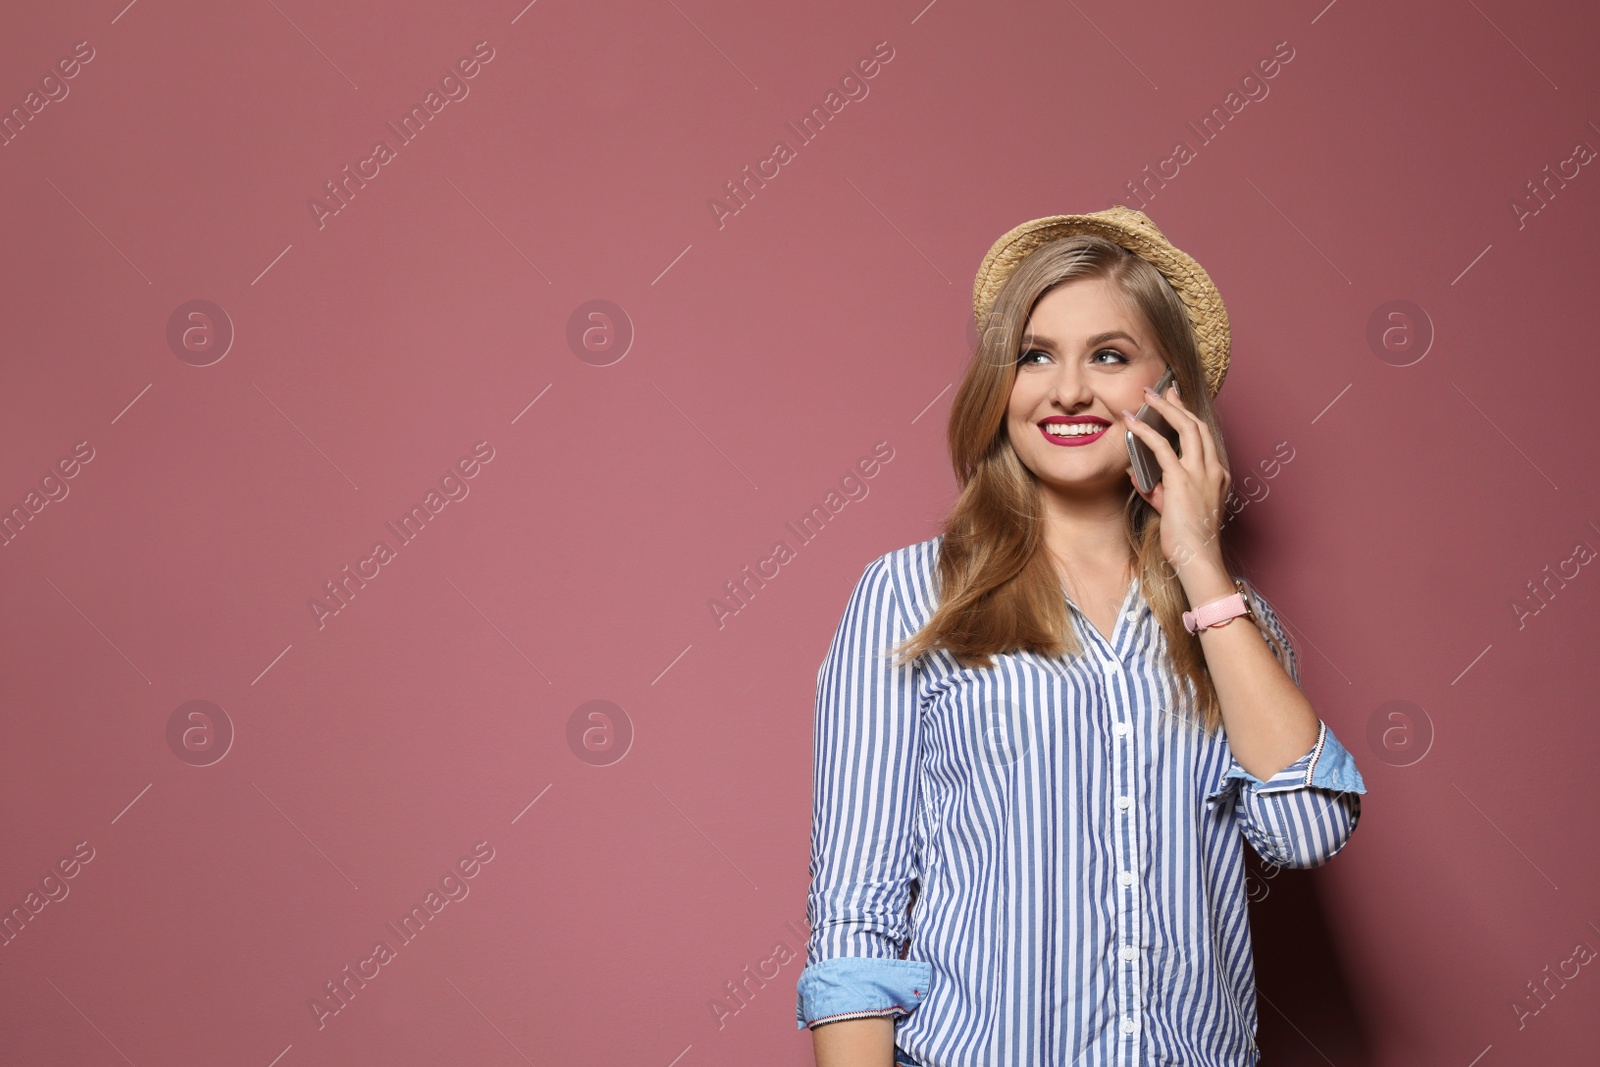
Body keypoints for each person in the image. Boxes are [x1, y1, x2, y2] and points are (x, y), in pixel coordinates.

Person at [794, 207, 1368, 1067]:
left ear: (1168, 392)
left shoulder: (1233, 623)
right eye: (1035, 356)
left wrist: (1202, 569)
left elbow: (1307, 830)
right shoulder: (912, 595)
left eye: (1109, 355)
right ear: (1001, 384)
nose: (1067, 391)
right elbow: (853, 915)